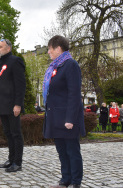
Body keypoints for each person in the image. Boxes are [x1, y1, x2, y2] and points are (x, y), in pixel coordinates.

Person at [43, 35, 85, 188]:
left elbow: (74, 94)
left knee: (72, 151)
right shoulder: (55, 67)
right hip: (55, 116)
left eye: (50, 49)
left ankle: (75, 182)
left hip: (67, 118)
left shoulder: (70, 65)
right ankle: (65, 180)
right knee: (61, 151)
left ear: (58, 48)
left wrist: (70, 119)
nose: (48, 52)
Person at [0, 39, 26, 172]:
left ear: (8, 48)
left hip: (12, 104)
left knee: (16, 133)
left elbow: (20, 84)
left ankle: (17, 162)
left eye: (0, 47)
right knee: (7, 132)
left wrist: (18, 104)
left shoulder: (15, 61)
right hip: (2, 104)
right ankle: (11, 159)